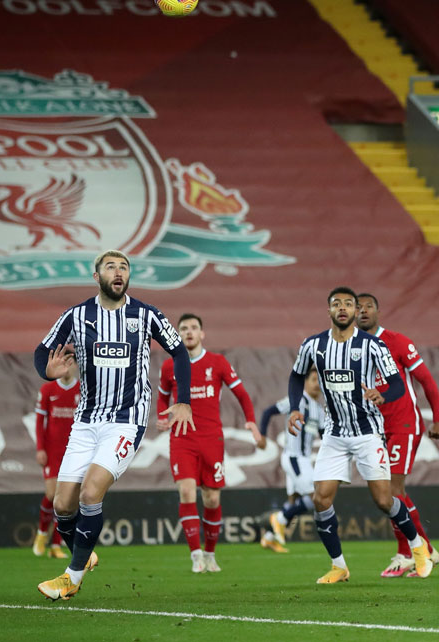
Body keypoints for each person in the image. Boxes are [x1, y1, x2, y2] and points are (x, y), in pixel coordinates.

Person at [34, 250, 192, 601]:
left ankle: (71, 577)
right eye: (111, 266)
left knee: (91, 493)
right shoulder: (76, 316)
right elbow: (42, 351)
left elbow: (179, 352)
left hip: (126, 420)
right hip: (86, 421)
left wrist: (183, 400)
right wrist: (48, 370)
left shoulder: (146, 314)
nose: (118, 272)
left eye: (124, 267)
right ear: (97, 276)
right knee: (62, 505)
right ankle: (83, 553)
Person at [286, 286, 432, 583]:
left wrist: (382, 395)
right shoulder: (313, 345)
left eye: (348, 304)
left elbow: (397, 384)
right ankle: (339, 566)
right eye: (336, 304)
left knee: (384, 500)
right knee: (321, 500)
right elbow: (297, 375)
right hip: (335, 434)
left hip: (368, 433)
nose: (343, 308)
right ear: (329, 311)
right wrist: (293, 407)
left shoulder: (372, 346)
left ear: (355, 311)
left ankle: (418, 546)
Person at [156, 313, 263, 573]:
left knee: (212, 498)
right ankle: (195, 555)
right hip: (182, 437)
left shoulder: (217, 362)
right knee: (186, 491)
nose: (189, 332)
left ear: (202, 334)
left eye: (194, 328)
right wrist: (162, 416)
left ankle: (210, 554)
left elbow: (241, 393)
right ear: (178, 335)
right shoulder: (170, 366)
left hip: (211, 438)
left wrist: (250, 420)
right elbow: (162, 397)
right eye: (183, 329)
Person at [356, 292, 439, 577]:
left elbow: (426, 380)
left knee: (392, 491)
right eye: (358, 307)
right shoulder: (351, 349)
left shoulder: (397, 341)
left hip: (404, 424)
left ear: (378, 312)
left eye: (369, 306)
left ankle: (408, 552)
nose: (363, 311)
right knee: (391, 493)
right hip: (376, 429)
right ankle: (426, 548)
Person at [260, 367, 324, 553]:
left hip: (303, 460)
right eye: (314, 379)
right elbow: (268, 412)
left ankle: (270, 538)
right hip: (294, 458)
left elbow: (324, 436)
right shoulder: (297, 401)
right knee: (315, 497)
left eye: (319, 380)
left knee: (294, 501)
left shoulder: (319, 410)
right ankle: (278, 519)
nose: (317, 384)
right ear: (305, 382)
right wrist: (262, 435)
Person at [32, 359, 80, 560]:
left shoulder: (82, 390)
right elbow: (39, 421)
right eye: (64, 363)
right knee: (52, 495)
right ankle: (43, 532)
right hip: (52, 451)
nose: (66, 367)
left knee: (67, 500)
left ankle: (56, 544)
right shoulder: (48, 389)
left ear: (76, 366)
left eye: (70, 363)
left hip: (75, 451)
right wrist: (40, 448)